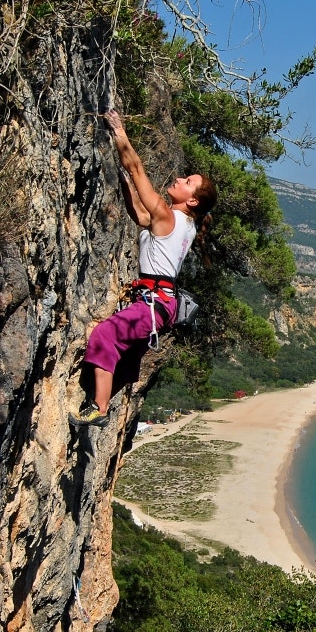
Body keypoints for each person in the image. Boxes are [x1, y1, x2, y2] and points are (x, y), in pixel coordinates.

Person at [69, 110, 217, 428]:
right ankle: (101, 397)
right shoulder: (183, 224)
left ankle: (99, 407)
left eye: (187, 182)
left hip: (153, 304)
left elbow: (137, 168)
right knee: (124, 358)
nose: (179, 179)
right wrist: (124, 183)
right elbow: (139, 214)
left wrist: (119, 131)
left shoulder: (168, 216)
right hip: (159, 305)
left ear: (192, 200)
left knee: (105, 334)